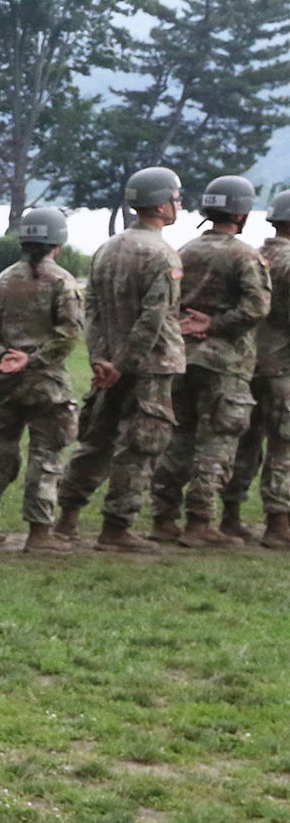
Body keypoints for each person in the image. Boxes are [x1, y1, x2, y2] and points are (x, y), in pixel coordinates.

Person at [56, 167, 186, 552]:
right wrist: (125, 364)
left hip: (110, 365)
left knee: (96, 441)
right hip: (149, 367)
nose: (179, 205)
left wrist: (102, 360)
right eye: (176, 199)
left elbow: (91, 308)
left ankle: (67, 517)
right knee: (141, 446)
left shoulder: (107, 248)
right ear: (161, 205)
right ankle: (117, 527)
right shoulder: (164, 255)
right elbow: (154, 317)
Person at [150, 175, 272, 547]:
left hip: (184, 357)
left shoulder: (184, 250)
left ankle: (163, 516)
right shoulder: (245, 255)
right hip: (226, 363)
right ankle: (200, 520)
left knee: (180, 437)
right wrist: (218, 324)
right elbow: (257, 306)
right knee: (218, 440)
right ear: (242, 213)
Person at [0, 204, 84, 553]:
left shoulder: (2, 280)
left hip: (5, 381)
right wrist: (33, 359)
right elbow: (68, 334)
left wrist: (4, 357)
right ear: (58, 242)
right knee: (46, 456)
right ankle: (39, 532)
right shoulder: (63, 282)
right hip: (47, 382)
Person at [225, 189, 290, 549]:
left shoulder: (254, 255)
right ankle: (279, 522)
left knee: (245, 442)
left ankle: (230, 515)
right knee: (283, 445)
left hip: (246, 363)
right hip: (282, 367)